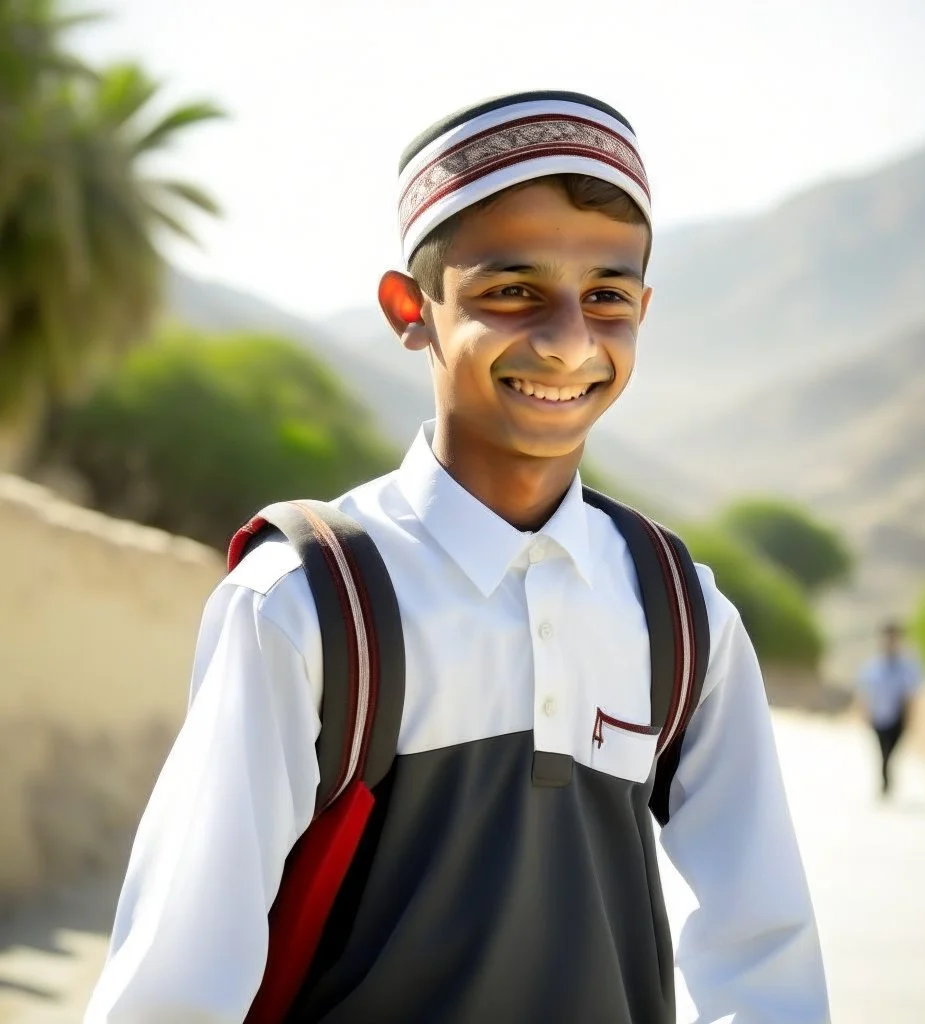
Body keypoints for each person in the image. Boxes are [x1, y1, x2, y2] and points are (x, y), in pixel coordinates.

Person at [85, 91, 829, 1023]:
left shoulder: (680, 612)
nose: (567, 343)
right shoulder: (306, 604)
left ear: (644, 306)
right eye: (511, 292)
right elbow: (177, 972)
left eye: (606, 298)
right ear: (412, 309)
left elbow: (766, 951)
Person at [856, 620, 924, 796]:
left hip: (897, 718)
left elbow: (910, 695)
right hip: (878, 717)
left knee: (890, 752)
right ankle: (885, 781)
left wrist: (910, 718)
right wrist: (865, 714)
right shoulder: (873, 667)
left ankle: (886, 779)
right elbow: (865, 693)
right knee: (882, 752)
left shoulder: (906, 667)